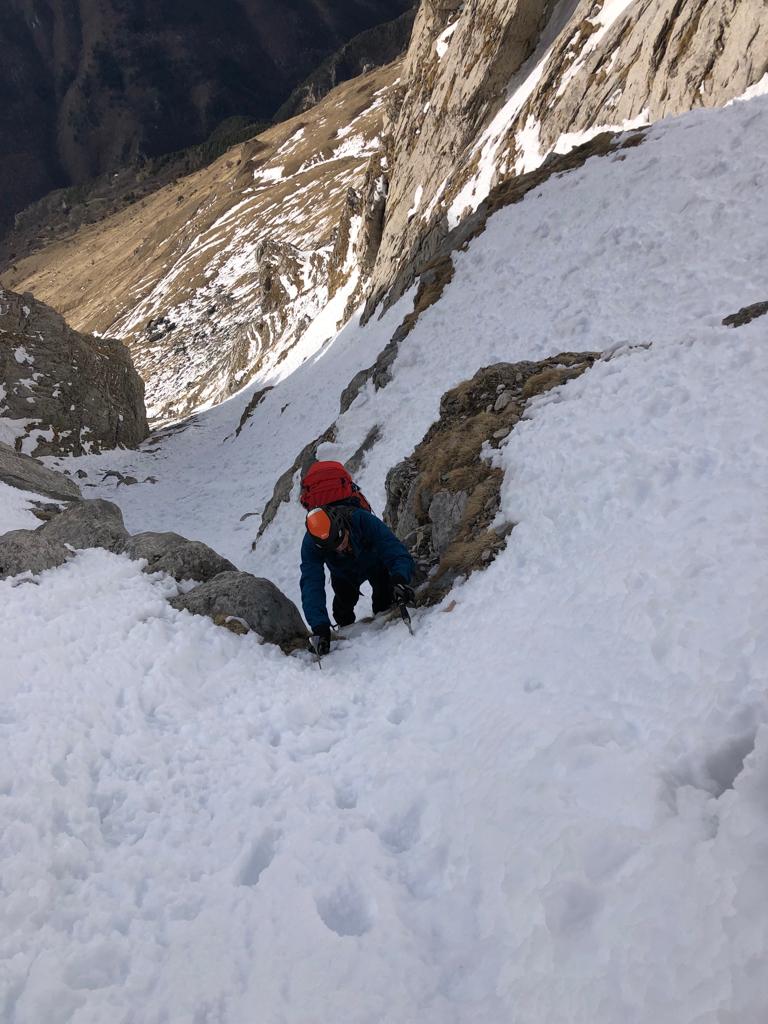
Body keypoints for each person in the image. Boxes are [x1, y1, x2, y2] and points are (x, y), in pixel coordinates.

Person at [300, 503, 415, 654]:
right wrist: (319, 627)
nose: (340, 548)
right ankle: (344, 630)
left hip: (375, 564)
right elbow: (311, 583)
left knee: (384, 598)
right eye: (334, 548)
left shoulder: (362, 519)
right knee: (343, 606)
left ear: (343, 526)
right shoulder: (312, 544)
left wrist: (400, 578)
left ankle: (384, 627)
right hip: (342, 575)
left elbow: (392, 547)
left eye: (342, 541)